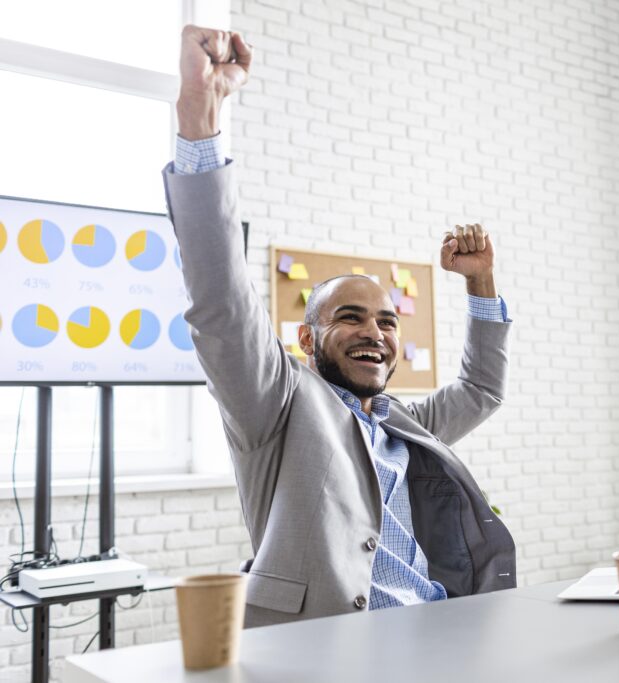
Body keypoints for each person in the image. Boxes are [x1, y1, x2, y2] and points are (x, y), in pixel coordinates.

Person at [163, 25, 516, 627]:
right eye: (349, 317)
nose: (373, 332)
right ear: (307, 339)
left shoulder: (404, 423)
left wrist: (480, 283)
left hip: (435, 632)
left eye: (385, 320)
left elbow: (481, 390)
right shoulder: (275, 404)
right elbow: (221, 301)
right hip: (329, 648)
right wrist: (201, 116)